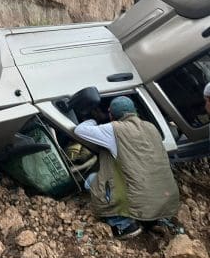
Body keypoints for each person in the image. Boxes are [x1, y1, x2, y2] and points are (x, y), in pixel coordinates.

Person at [74, 96, 179, 239]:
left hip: (139, 199)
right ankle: (154, 220)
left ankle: (124, 225)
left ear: (110, 114)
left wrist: (95, 119)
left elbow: (80, 130)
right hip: (165, 200)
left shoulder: (113, 129)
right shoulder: (151, 127)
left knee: (92, 181)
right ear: (134, 111)